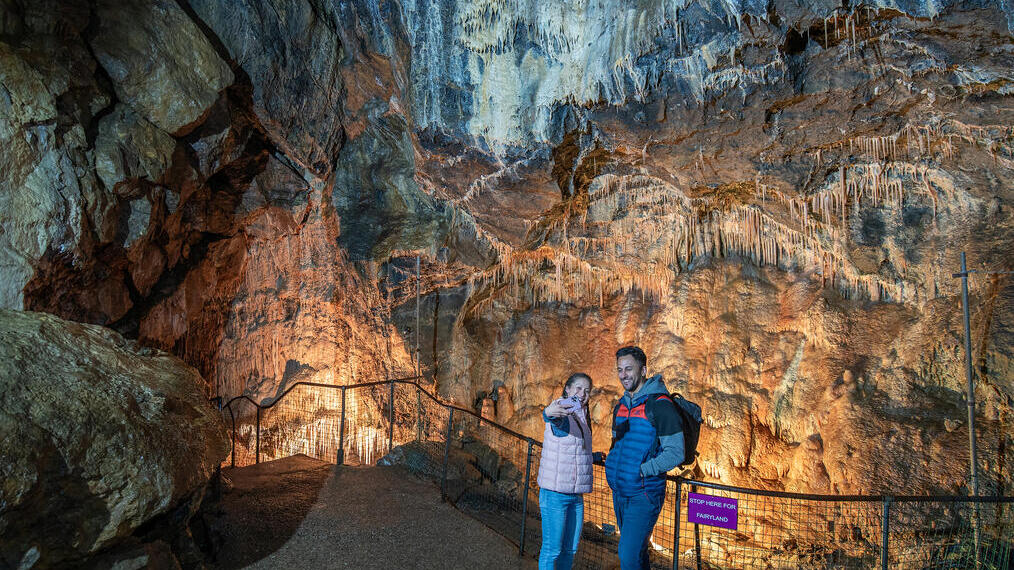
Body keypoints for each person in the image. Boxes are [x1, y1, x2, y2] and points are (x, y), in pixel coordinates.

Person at [604, 346, 684, 570]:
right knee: (637, 554)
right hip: (620, 492)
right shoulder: (620, 406)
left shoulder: (660, 405)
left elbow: (676, 453)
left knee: (627, 555)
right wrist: (611, 463)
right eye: (620, 369)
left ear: (643, 370)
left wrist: (642, 470)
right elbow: (616, 443)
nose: (623, 375)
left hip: (644, 492)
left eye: (629, 368)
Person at [537, 373, 594, 570]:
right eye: (578, 388)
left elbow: (575, 447)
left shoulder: (582, 415)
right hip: (555, 494)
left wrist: (593, 457)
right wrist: (548, 412)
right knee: (552, 549)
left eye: (587, 390)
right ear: (567, 389)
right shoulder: (563, 409)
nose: (583, 393)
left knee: (570, 550)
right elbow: (552, 417)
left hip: (575, 495)